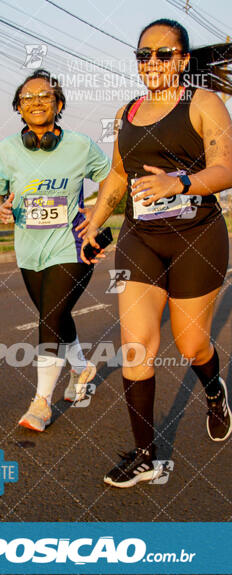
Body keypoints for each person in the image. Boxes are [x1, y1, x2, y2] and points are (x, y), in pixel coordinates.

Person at [82, 19, 232, 487]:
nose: (152, 63)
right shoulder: (126, 113)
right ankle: (145, 455)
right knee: (137, 345)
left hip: (197, 236)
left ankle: (213, 391)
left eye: (163, 55)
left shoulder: (203, 102)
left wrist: (180, 182)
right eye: (144, 55)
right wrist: (96, 218)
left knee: (191, 345)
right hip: (140, 237)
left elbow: (227, 167)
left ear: (183, 60)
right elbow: (119, 176)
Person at [0, 69, 111, 432]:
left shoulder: (81, 145)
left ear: (58, 104)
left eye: (45, 96)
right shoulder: (5, 150)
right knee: (54, 315)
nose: (36, 102)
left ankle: (41, 402)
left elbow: (110, 177)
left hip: (72, 245)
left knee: (51, 313)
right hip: (29, 249)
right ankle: (82, 367)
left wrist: (98, 218)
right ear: (18, 109)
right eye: (28, 98)